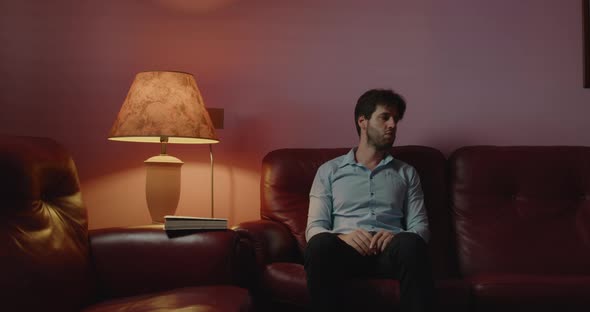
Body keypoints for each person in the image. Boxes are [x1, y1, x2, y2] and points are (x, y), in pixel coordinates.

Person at [304, 89, 435, 312]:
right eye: (385, 117)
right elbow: (314, 227)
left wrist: (396, 236)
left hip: (391, 253)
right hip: (344, 253)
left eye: (395, 119)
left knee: (411, 243)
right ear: (362, 122)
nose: (392, 124)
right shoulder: (329, 171)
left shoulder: (407, 173)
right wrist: (344, 238)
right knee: (319, 245)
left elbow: (420, 227)